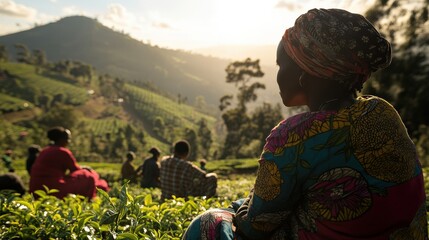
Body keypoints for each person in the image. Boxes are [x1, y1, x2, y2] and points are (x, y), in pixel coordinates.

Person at [184, 8, 428, 239]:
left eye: (281, 65)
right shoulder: (382, 110)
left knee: (208, 223)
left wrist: (238, 208)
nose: (277, 74)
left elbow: (254, 228)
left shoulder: (293, 136)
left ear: (304, 73)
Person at [30, 126, 110, 200]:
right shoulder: (63, 152)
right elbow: (74, 169)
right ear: (61, 139)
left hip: (36, 189)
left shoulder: (45, 150)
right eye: (67, 139)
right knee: (89, 176)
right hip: (54, 189)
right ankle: (90, 198)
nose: (68, 142)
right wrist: (86, 169)